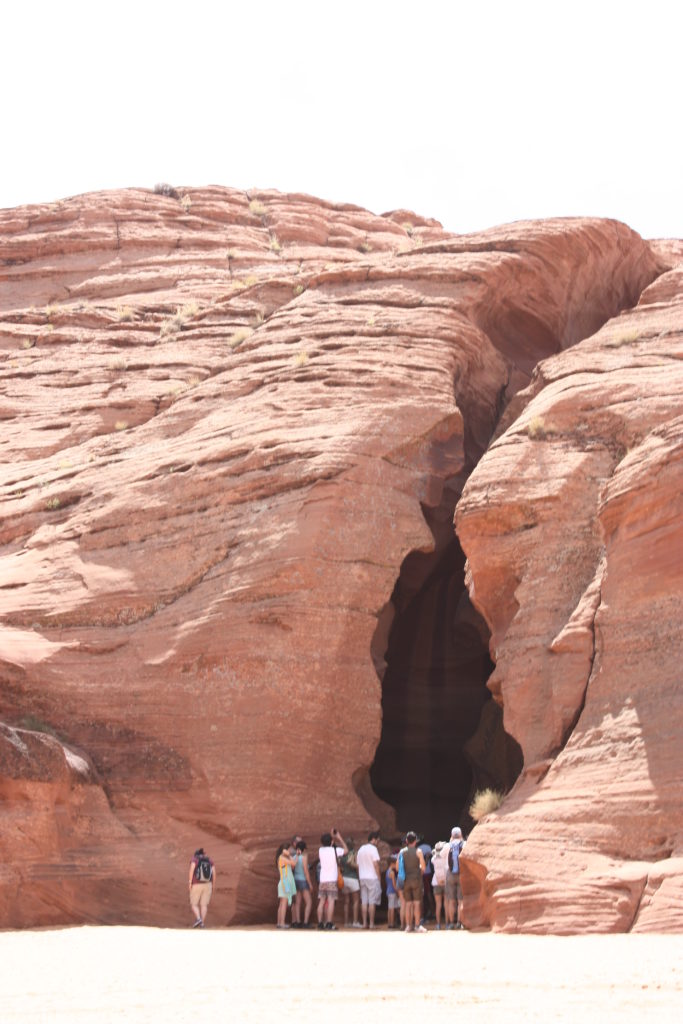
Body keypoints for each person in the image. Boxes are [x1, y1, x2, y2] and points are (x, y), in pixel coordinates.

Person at [317, 829, 347, 930]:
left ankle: (320, 923)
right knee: (331, 901)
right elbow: (346, 851)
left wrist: (330, 838)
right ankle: (329, 923)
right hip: (331, 880)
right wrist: (339, 837)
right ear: (332, 842)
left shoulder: (320, 850)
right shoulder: (335, 850)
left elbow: (327, 843)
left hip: (322, 880)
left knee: (321, 901)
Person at [398, 831, 426, 933]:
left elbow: (398, 867)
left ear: (406, 841)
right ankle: (417, 925)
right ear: (416, 841)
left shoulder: (402, 852)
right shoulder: (418, 851)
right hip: (416, 880)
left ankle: (408, 926)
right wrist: (419, 870)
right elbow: (423, 867)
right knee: (417, 904)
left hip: (406, 880)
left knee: (408, 904)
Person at [356, 830, 382, 929]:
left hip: (362, 877)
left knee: (364, 901)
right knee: (372, 902)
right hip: (372, 877)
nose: (378, 843)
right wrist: (379, 877)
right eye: (378, 841)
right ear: (374, 839)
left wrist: (360, 876)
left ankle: (364, 923)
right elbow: (376, 865)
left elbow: (358, 865)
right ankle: (371, 924)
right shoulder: (373, 849)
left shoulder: (361, 849)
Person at [188, 847, 215, 929]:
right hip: (208, 884)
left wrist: (190, 883)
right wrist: (213, 884)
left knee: (194, 904)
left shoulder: (194, 860)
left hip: (196, 884)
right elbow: (214, 873)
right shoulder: (210, 861)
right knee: (204, 905)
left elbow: (191, 871)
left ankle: (199, 919)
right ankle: (202, 924)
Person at [445, 826, 465, 930]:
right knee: (460, 901)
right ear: (461, 834)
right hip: (461, 874)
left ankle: (451, 923)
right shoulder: (464, 844)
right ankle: (459, 923)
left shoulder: (447, 846)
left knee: (451, 901)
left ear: (452, 835)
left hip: (450, 874)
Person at [340, 838, 362, 928]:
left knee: (346, 901)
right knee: (356, 901)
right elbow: (356, 866)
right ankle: (355, 922)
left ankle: (346, 922)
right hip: (353, 878)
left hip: (344, 878)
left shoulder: (342, 854)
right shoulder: (354, 853)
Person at [292, 840, 313, 928]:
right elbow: (305, 871)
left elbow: (293, 868)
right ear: (304, 849)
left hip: (296, 880)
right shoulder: (304, 857)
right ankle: (305, 922)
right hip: (303, 880)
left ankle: (298, 922)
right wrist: (310, 884)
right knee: (309, 902)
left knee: (298, 902)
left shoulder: (294, 857)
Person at [276, 842, 297, 928]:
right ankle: (282, 923)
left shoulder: (281, 858)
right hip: (286, 883)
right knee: (284, 904)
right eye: (288, 849)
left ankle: (279, 923)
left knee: (281, 904)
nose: (290, 851)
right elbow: (294, 863)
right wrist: (289, 855)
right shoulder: (282, 858)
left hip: (284, 882)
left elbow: (292, 866)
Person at [431, 840, 449, 929]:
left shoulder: (433, 859)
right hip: (445, 882)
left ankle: (438, 924)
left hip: (436, 882)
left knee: (438, 904)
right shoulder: (445, 858)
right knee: (446, 904)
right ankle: (447, 924)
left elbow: (434, 855)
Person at [418, 838, 435, 922]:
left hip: (422, 874)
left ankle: (426, 913)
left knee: (424, 894)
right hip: (429, 873)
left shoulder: (418, 848)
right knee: (429, 893)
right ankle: (432, 912)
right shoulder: (428, 847)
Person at [385, 854, 400, 929]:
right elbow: (394, 884)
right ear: (392, 864)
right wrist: (397, 892)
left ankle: (390, 923)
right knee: (392, 908)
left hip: (389, 891)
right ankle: (391, 923)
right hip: (392, 891)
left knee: (390, 908)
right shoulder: (392, 872)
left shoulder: (387, 871)